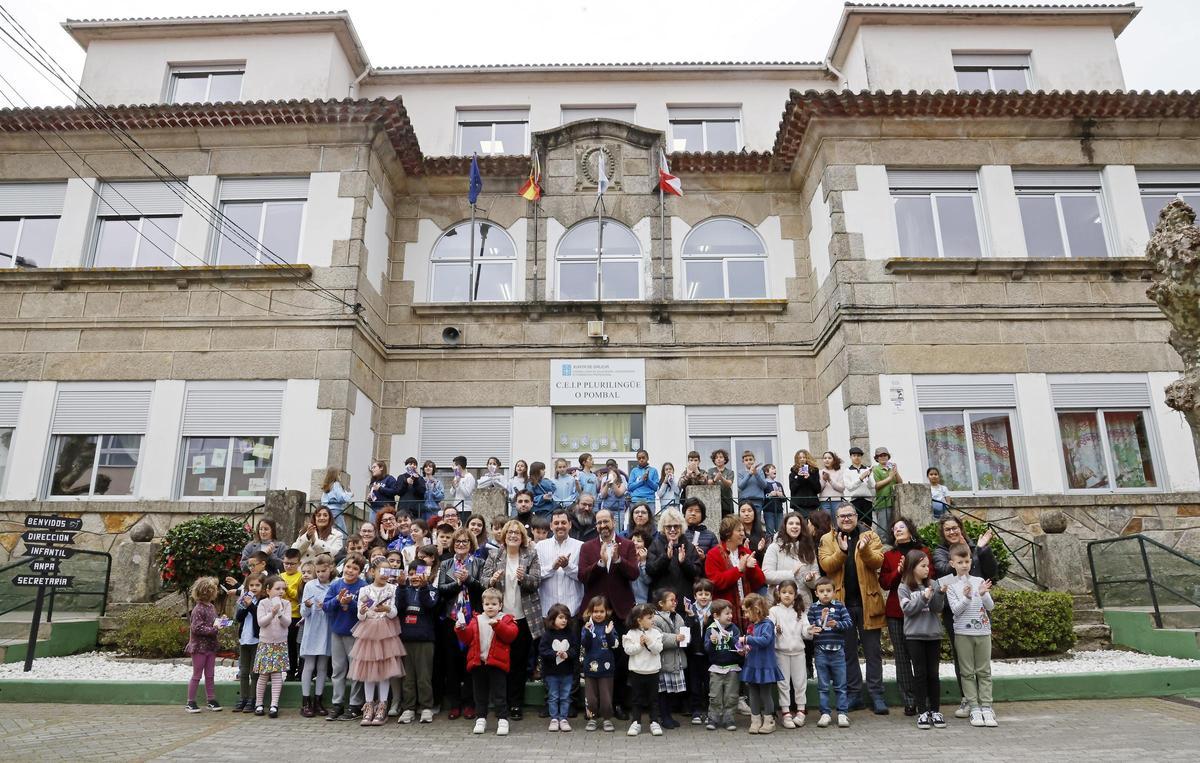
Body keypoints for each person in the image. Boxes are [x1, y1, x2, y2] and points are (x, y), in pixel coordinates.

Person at [817, 502, 887, 715]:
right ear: (836, 519)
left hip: (868, 601)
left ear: (856, 516)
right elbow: (826, 566)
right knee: (847, 653)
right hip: (842, 606)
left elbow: (878, 562)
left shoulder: (870, 536)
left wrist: (864, 551)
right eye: (842, 516)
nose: (846, 519)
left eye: (850, 515)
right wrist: (842, 551)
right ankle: (854, 693)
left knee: (873, 652)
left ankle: (876, 695)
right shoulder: (827, 539)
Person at [932, 515, 998, 720]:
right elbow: (946, 573)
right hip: (956, 614)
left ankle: (985, 703)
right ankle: (968, 699)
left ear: (961, 528)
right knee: (963, 660)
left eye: (955, 528)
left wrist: (982, 549)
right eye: (947, 529)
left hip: (979, 611)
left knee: (982, 663)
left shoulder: (975, 546)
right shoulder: (940, 552)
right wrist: (975, 553)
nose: (952, 532)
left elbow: (992, 573)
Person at [578, 508, 640, 720]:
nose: (603, 526)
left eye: (606, 521)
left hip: (621, 612)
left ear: (614, 522)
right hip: (595, 612)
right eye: (599, 523)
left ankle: (618, 704)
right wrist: (599, 563)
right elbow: (582, 576)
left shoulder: (628, 545)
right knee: (593, 659)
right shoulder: (588, 547)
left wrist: (617, 561)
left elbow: (634, 573)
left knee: (621, 661)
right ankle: (593, 706)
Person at [482, 519, 543, 720]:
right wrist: (492, 580)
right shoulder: (494, 554)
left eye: (517, 533)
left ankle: (516, 704)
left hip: (523, 618)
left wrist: (524, 578)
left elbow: (536, 582)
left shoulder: (531, 555)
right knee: (501, 662)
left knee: (519, 662)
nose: (513, 536)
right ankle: (502, 704)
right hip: (500, 618)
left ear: (522, 537)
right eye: (510, 533)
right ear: (504, 536)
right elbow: (483, 581)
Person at [880, 517, 932, 716]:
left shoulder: (924, 552)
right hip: (897, 612)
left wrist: (911, 571)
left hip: (920, 610)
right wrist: (898, 571)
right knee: (901, 658)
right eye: (894, 529)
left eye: (901, 527)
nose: (897, 530)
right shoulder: (889, 555)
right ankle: (909, 700)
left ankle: (925, 699)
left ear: (910, 530)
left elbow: (930, 576)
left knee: (920, 657)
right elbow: (884, 582)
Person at [349, 556, 405, 727]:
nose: (385, 574)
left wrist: (387, 608)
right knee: (368, 671)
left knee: (384, 670)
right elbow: (360, 615)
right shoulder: (365, 590)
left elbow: (394, 613)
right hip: (369, 633)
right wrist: (363, 611)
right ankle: (368, 706)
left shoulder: (393, 589)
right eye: (381, 570)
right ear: (372, 572)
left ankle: (382, 706)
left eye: (388, 571)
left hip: (386, 632)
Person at [945, 543, 997, 728]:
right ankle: (974, 707)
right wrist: (967, 597)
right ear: (952, 563)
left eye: (967, 561)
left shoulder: (978, 580)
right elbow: (956, 611)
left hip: (983, 631)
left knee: (984, 671)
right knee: (967, 672)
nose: (964, 565)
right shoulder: (950, 584)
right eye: (960, 562)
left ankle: (987, 706)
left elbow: (990, 607)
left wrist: (983, 594)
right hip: (962, 632)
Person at [437, 527, 486, 720]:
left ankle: (469, 703)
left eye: (465, 541)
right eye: (458, 541)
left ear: (471, 544)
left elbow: (483, 589)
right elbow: (442, 589)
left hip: (472, 618)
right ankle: (454, 704)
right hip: (451, 619)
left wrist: (469, 580)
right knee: (452, 663)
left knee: (471, 662)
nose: (461, 545)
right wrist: (457, 583)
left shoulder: (479, 563)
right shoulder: (446, 564)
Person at [456, 587, 518, 736]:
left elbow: (511, 635)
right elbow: (467, 638)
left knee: (500, 694)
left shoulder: (506, 619)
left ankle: (503, 719)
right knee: (480, 694)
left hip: (497, 664)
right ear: (482, 605)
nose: (490, 607)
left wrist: (498, 625)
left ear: (500, 605)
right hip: (479, 663)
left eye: (494, 604)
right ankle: (481, 718)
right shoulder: (476, 619)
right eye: (487, 604)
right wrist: (460, 629)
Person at [898, 549, 947, 730]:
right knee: (919, 674)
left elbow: (937, 608)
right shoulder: (903, 587)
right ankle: (923, 711)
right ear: (912, 567)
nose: (927, 569)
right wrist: (924, 598)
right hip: (914, 636)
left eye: (928, 566)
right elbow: (909, 610)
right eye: (923, 566)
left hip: (933, 634)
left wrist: (939, 594)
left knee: (933, 674)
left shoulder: (932, 584)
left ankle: (935, 710)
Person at [322, 552, 368, 722]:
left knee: (355, 670)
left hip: (355, 634)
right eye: (348, 566)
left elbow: (367, 609)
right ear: (343, 567)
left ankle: (355, 704)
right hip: (337, 633)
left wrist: (352, 603)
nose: (350, 570)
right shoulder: (335, 585)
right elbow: (326, 607)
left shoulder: (364, 586)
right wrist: (337, 600)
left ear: (360, 571)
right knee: (338, 669)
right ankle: (337, 703)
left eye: (355, 568)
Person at [705, 515, 766, 632]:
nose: (743, 534)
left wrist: (752, 568)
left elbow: (760, 581)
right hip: (725, 614)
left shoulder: (746, 552)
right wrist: (738, 570)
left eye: (743, 530)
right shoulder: (713, 554)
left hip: (748, 611)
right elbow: (716, 582)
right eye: (739, 530)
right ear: (728, 534)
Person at [807, 576, 852, 728]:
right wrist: (821, 620)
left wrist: (837, 624)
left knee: (841, 685)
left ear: (834, 592)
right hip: (821, 652)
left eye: (828, 591)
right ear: (816, 593)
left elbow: (848, 623)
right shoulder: (813, 608)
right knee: (823, 686)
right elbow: (810, 627)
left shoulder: (839, 606)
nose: (825, 594)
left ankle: (842, 714)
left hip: (838, 652)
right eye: (822, 591)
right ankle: (825, 713)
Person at [397, 559, 437, 724]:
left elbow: (430, 605)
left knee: (424, 676)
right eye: (411, 573)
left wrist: (424, 587)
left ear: (426, 574)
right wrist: (400, 587)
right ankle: (408, 708)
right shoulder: (403, 590)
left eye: (418, 573)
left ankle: (426, 707)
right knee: (407, 677)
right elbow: (398, 608)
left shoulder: (432, 590)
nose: (414, 577)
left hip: (425, 640)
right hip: (406, 639)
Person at [769, 579, 810, 729]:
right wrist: (775, 630)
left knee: (800, 682)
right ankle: (785, 712)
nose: (787, 595)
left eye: (790, 593)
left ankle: (801, 710)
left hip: (799, 652)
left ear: (795, 595)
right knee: (783, 683)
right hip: (781, 652)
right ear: (778, 594)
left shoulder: (800, 610)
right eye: (784, 592)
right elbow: (770, 629)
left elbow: (805, 630)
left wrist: (809, 630)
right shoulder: (774, 611)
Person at [645, 507, 701, 615]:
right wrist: (665, 558)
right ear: (663, 528)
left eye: (676, 526)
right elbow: (650, 570)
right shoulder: (655, 545)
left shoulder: (689, 547)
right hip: (661, 603)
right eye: (668, 527)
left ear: (681, 527)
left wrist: (684, 562)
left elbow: (697, 572)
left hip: (684, 602)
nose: (672, 530)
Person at [740, 592, 783, 734]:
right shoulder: (751, 626)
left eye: (747, 611)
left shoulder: (768, 625)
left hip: (765, 665)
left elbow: (765, 640)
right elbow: (751, 644)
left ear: (756, 609)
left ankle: (769, 720)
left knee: (765, 693)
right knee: (752, 692)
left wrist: (747, 640)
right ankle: (755, 720)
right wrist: (743, 648)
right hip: (752, 664)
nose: (745, 615)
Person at [299, 554, 334, 717]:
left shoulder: (334, 585)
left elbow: (335, 608)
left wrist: (327, 606)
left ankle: (318, 700)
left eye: (323, 571)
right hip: (312, 630)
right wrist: (307, 606)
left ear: (330, 569)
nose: (320, 574)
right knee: (309, 666)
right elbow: (303, 612)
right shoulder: (310, 586)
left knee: (322, 667)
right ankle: (305, 701)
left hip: (327, 630)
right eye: (318, 571)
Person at [622, 602, 665, 736]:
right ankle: (636, 722)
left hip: (653, 671)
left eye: (653, 617)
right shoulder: (631, 633)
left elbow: (658, 649)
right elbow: (628, 650)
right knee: (636, 698)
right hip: (637, 671)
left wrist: (650, 642)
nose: (653, 620)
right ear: (639, 620)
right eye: (649, 618)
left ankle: (654, 721)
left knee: (653, 698)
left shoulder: (656, 633)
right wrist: (640, 645)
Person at [763, 511, 819, 609]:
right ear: (785, 526)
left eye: (798, 524)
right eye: (791, 523)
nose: (795, 526)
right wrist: (791, 573)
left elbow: (816, 581)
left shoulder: (809, 549)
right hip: (778, 604)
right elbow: (766, 575)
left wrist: (809, 579)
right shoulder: (774, 547)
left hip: (802, 604)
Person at [580, 595, 619, 732]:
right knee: (591, 698)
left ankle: (607, 719)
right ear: (590, 612)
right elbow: (585, 644)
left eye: (601, 611)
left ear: (607, 611)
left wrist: (609, 634)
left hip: (606, 669)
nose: (598, 614)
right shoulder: (586, 627)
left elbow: (614, 645)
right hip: (590, 669)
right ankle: (592, 718)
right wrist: (589, 632)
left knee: (606, 698)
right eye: (595, 611)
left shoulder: (610, 626)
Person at [254, 574, 292, 717]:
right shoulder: (263, 603)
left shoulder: (287, 604)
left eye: (283, 588)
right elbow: (261, 622)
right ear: (268, 590)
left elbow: (287, 623)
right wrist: (272, 613)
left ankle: (274, 705)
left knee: (277, 675)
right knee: (263, 675)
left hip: (280, 644)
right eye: (277, 588)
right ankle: (259, 704)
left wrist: (280, 613)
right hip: (266, 643)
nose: (281, 591)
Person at [536, 509, 584, 620]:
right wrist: (553, 568)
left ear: (570, 525)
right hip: (548, 610)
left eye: (563, 522)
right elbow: (536, 576)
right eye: (556, 523)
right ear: (551, 526)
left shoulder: (581, 546)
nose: (560, 526)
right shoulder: (540, 546)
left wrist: (567, 567)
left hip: (573, 610)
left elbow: (583, 576)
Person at [651, 588, 689, 729]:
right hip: (664, 661)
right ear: (661, 603)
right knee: (663, 691)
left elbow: (683, 631)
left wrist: (685, 637)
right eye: (671, 600)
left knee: (671, 690)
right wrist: (676, 638)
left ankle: (668, 715)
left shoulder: (678, 616)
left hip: (676, 659)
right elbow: (658, 636)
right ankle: (664, 716)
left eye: (675, 600)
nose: (675, 603)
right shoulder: (655, 618)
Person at [703, 598, 743, 732]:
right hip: (716, 668)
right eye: (727, 613)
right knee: (715, 695)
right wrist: (712, 643)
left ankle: (729, 719)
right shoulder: (710, 630)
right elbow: (707, 649)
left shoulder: (734, 629)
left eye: (731, 613)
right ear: (716, 616)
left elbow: (739, 646)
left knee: (731, 696)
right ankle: (713, 718)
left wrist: (729, 639)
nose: (730, 616)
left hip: (732, 668)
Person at [539, 603, 579, 732]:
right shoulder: (547, 635)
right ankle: (554, 718)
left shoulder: (571, 634)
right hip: (551, 673)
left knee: (566, 696)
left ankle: (563, 718)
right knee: (553, 696)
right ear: (552, 619)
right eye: (561, 617)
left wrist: (568, 654)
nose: (564, 620)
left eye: (566, 618)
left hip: (567, 672)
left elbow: (575, 649)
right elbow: (543, 650)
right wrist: (554, 654)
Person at [185, 576, 222, 713]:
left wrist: (220, 622)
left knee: (210, 674)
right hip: (199, 647)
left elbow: (212, 622)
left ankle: (211, 699)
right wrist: (214, 629)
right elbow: (196, 628)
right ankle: (190, 701)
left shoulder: (211, 607)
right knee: (197, 674)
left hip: (210, 646)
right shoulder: (198, 609)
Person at [232, 572, 264, 713]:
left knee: (254, 671)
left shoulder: (263, 601)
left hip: (257, 640)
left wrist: (251, 606)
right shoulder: (244, 599)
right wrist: (244, 605)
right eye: (251, 585)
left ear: (263, 587)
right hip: (245, 638)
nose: (254, 588)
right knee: (243, 671)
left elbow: (259, 617)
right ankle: (243, 698)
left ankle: (253, 699)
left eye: (257, 585)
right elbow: (239, 618)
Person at [685, 579, 714, 725]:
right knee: (694, 683)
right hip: (694, 653)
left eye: (707, 594)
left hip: (709, 654)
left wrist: (708, 622)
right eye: (700, 593)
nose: (703, 597)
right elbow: (686, 630)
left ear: (711, 596)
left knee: (709, 683)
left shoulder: (714, 610)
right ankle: (696, 710)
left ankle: (709, 710)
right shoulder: (690, 609)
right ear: (695, 595)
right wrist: (691, 618)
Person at [279, 548, 304, 681]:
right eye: (286, 563)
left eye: (292, 564)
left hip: (296, 615)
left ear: (299, 563)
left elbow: (299, 596)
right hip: (282, 615)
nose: (288, 566)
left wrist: (287, 588)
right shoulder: (280, 576)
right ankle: (289, 670)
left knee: (296, 645)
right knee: (287, 645)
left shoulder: (301, 577)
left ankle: (298, 671)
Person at [870, 446, 903, 535]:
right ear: (877, 458)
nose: (883, 457)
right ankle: (883, 546)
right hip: (882, 502)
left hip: (894, 502)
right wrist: (890, 477)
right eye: (880, 456)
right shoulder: (875, 469)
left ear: (888, 457)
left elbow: (900, 483)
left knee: (894, 526)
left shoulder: (891, 468)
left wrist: (896, 472)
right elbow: (876, 485)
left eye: (885, 455)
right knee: (883, 527)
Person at [842, 447, 875, 526]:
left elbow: (872, 485)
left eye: (859, 455)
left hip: (867, 500)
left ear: (861, 457)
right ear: (851, 457)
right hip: (854, 501)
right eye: (854, 455)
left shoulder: (867, 469)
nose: (856, 457)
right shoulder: (847, 471)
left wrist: (869, 476)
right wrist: (860, 478)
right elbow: (849, 487)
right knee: (855, 523)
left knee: (868, 523)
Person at [736, 450, 769, 518]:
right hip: (745, 501)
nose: (749, 461)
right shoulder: (741, 472)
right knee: (745, 521)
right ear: (743, 462)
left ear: (754, 460)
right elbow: (740, 486)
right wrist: (749, 474)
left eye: (750, 459)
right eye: (746, 460)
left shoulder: (760, 471)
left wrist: (756, 474)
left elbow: (764, 485)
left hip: (757, 501)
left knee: (757, 521)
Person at [320, 467, 354, 533]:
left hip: (327, 510)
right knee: (341, 532)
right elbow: (341, 498)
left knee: (329, 531)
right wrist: (350, 494)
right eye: (339, 474)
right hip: (336, 511)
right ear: (336, 475)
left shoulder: (328, 485)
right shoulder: (336, 484)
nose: (340, 476)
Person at [789, 450, 821, 515]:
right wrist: (799, 477)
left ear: (807, 458)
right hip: (798, 505)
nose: (802, 459)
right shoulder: (793, 473)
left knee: (812, 524)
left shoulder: (814, 471)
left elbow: (818, 489)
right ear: (797, 460)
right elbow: (792, 489)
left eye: (804, 457)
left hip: (812, 504)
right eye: (800, 458)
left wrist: (809, 478)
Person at [738, 501, 770, 568]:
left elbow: (768, 560)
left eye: (749, 511)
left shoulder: (763, 535)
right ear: (739, 514)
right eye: (743, 511)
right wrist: (745, 551)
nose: (746, 514)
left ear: (754, 513)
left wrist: (760, 550)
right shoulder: (736, 535)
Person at [708, 449, 735, 517]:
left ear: (725, 460)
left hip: (727, 502)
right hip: (714, 502)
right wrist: (715, 479)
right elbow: (709, 483)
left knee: (728, 524)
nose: (718, 459)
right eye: (716, 458)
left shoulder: (730, 472)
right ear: (714, 460)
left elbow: (729, 484)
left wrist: (721, 478)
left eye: (721, 457)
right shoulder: (711, 470)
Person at [761, 463, 787, 535]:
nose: (775, 470)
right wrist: (770, 495)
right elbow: (762, 497)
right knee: (770, 531)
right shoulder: (764, 483)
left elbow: (784, 499)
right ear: (766, 472)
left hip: (779, 510)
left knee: (780, 531)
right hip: (768, 510)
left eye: (775, 468)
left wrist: (781, 495)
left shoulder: (778, 484)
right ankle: (770, 545)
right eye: (772, 468)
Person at [630, 529, 653, 605]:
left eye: (639, 541)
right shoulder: (627, 560)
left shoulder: (650, 560)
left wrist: (643, 562)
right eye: (633, 540)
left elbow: (648, 580)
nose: (635, 543)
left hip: (643, 603)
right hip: (629, 603)